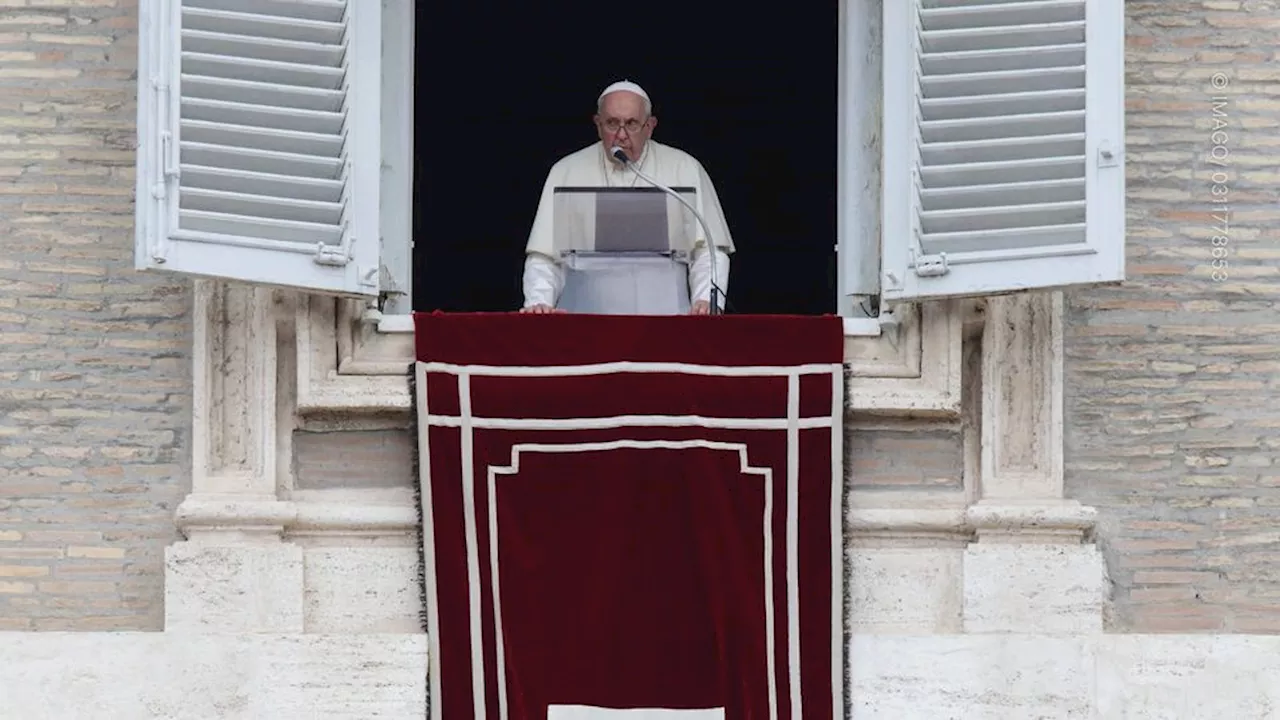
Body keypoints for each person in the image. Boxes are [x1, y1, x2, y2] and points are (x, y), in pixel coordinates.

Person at [520, 80, 734, 315]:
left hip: (668, 319)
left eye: (631, 124)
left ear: (650, 126)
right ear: (598, 124)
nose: (621, 135)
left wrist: (705, 302)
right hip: (584, 320)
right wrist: (538, 304)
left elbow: (708, 251)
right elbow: (545, 256)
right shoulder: (567, 171)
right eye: (612, 123)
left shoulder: (684, 168)